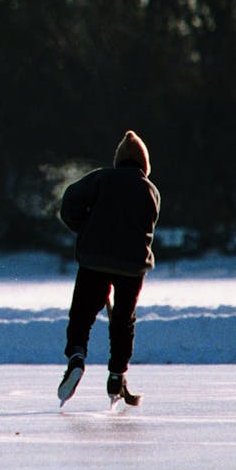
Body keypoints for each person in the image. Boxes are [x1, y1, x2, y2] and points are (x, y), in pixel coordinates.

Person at [56, 130, 161, 406]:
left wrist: (84, 228)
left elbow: (69, 202)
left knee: (82, 314)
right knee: (123, 320)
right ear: (144, 165)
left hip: (94, 260)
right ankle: (117, 373)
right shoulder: (150, 190)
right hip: (131, 267)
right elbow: (147, 226)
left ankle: (76, 356)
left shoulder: (101, 178)